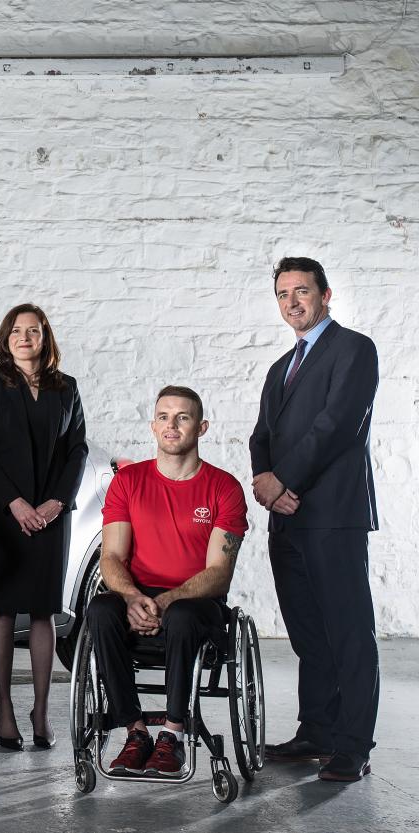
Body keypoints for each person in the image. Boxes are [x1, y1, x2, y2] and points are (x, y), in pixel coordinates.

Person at [250, 257, 379, 783]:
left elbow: (336, 425)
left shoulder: (353, 349)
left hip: (332, 517)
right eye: (283, 294)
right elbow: (262, 434)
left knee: (348, 633)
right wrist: (263, 478)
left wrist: (285, 483)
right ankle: (317, 730)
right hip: (288, 523)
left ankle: (352, 745)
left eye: (302, 291)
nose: (292, 302)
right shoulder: (282, 366)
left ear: (327, 295)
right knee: (308, 635)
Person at [86, 386, 248, 776]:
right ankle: (135, 731)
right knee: (100, 610)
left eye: (183, 417)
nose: (171, 425)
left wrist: (165, 601)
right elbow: (111, 556)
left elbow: (218, 573)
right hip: (137, 597)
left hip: (197, 603)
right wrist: (129, 596)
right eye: (163, 417)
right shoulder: (128, 482)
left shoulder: (224, 487)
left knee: (183, 617)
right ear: (153, 426)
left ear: (202, 427)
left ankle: (172, 737)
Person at [0, 303, 87, 750]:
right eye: (17, 330)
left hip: (52, 513)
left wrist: (57, 502)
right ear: (6, 337)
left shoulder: (66, 388)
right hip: (4, 512)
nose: (24, 337)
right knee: (2, 608)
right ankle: (4, 706)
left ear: (44, 338)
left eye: (33, 330)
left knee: (43, 610)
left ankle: (40, 709)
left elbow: (76, 450)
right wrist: (15, 503)